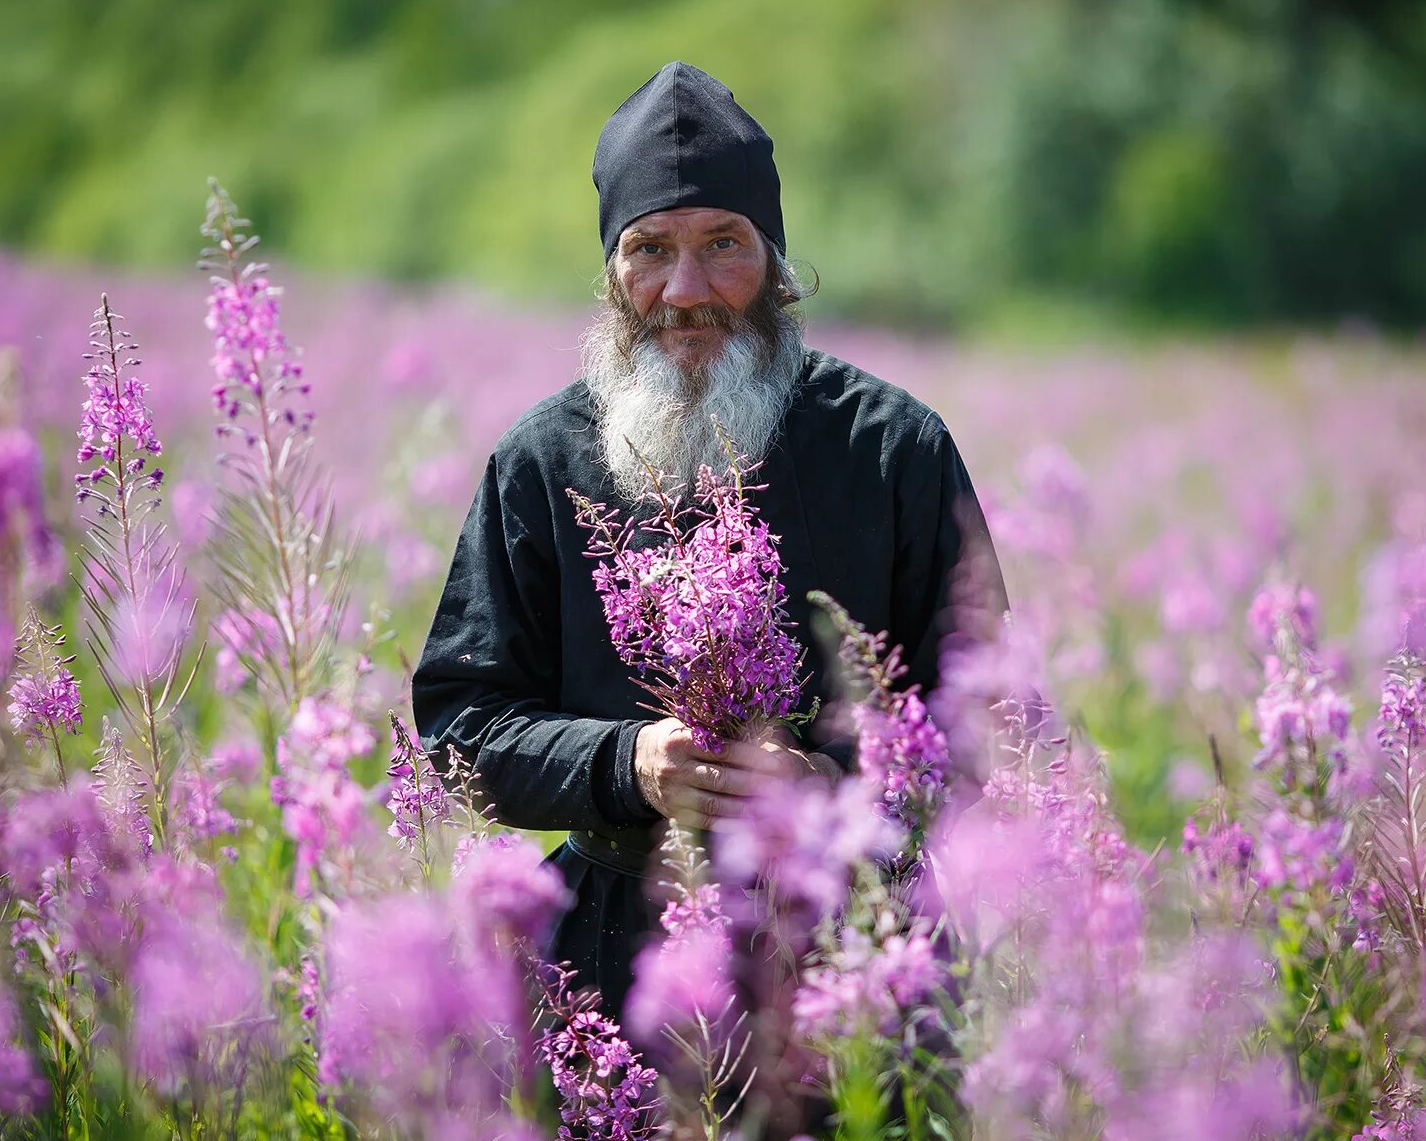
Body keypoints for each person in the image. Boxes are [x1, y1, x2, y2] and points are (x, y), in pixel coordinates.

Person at [411, 60, 1003, 1026]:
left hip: (856, 968)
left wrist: (831, 781)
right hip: (612, 979)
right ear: (610, 273)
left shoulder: (894, 449)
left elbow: (985, 717)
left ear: (774, 259)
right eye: (650, 249)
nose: (687, 291)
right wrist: (626, 763)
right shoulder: (540, 461)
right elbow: (461, 723)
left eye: (723, 244)